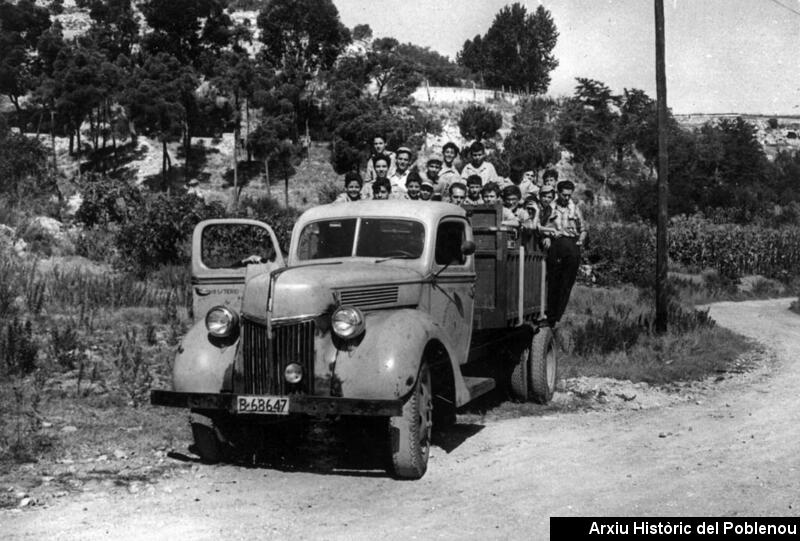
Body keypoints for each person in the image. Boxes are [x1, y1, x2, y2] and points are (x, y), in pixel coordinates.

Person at [545, 180, 587, 328]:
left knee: (567, 281)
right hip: (556, 244)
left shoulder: (575, 208)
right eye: (564, 195)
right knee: (554, 280)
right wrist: (547, 237)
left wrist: (580, 240)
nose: (567, 198)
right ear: (558, 193)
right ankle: (550, 314)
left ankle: (557, 315)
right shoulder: (550, 207)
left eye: (569, 195)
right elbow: (543, 225)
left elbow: (583, 229)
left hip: (571, 244)